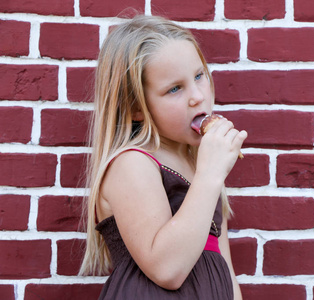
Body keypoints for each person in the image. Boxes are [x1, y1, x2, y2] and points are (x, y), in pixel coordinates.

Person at [78, 15, 247, 299]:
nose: (197, 97)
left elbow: (226, 271)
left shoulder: (201, 168)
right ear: (135, 108)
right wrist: (210, 174)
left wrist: (209, 174)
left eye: (198, 76)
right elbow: (167, 269)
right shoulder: (132, 163)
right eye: (174, 89)